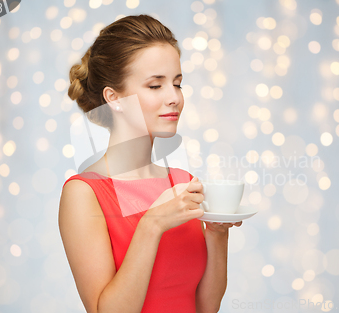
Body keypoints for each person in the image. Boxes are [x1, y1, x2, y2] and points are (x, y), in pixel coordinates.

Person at [59, 14, 242, 313]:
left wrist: (218, 234)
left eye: (177, 83)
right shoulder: (84, 194)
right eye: (156, 86)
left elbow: (206, 306)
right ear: (114, 98)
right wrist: (152, 224)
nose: (174, 98)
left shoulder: (183, 182)